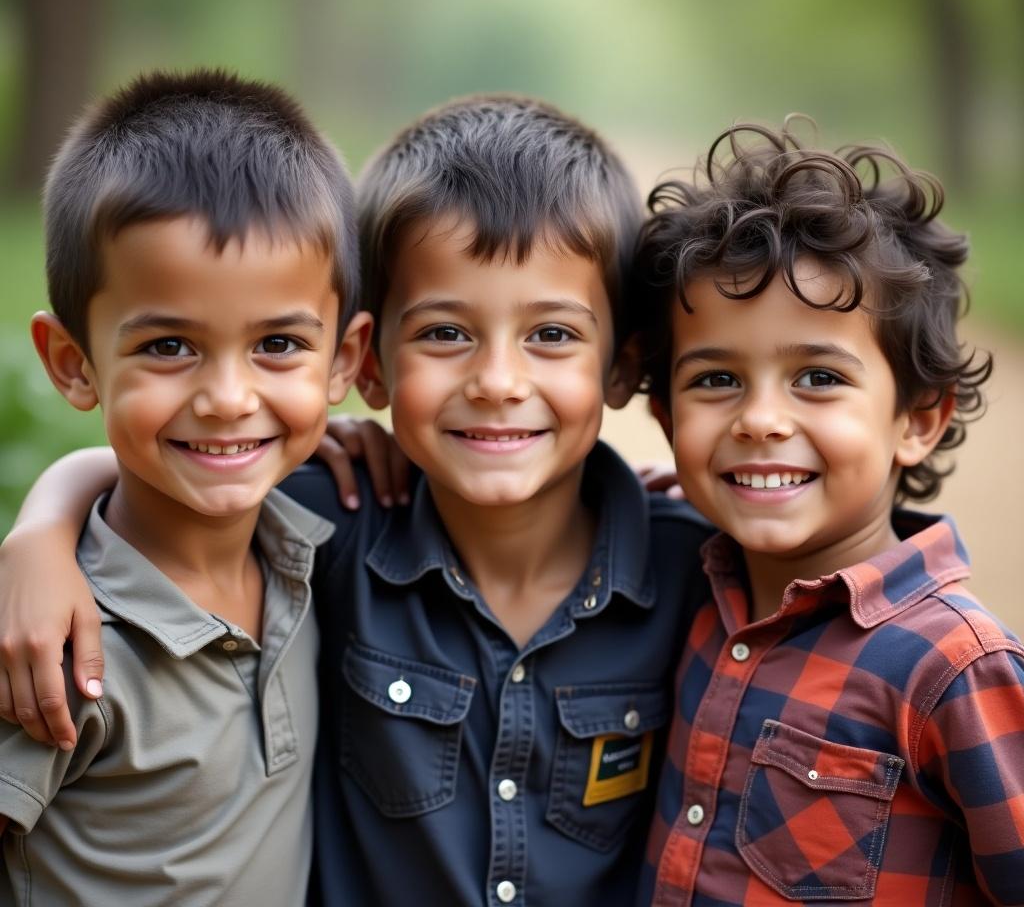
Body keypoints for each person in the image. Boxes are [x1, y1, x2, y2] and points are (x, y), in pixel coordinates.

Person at [0, 95, 713, 905]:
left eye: (551, 334)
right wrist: (42, 532)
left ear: (624, 365)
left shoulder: (688, 567)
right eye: (445, 333)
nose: (498, 383)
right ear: (370, 366)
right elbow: (167, 475)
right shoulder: (329, 529)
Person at [0, 69, 372, 904]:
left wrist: (45, 517)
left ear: (344, 361)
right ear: (73, 363)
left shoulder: (313, 551)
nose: (230, 398)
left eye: (279, 345)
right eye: (169, 347)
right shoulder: (52, 649)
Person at [632, 120, 1024, 904]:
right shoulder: (681, 572)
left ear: (917, 419)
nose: (760, 420)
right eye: (715, 380)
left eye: (817, 378)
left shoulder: (954, 670)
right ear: (669, 420)